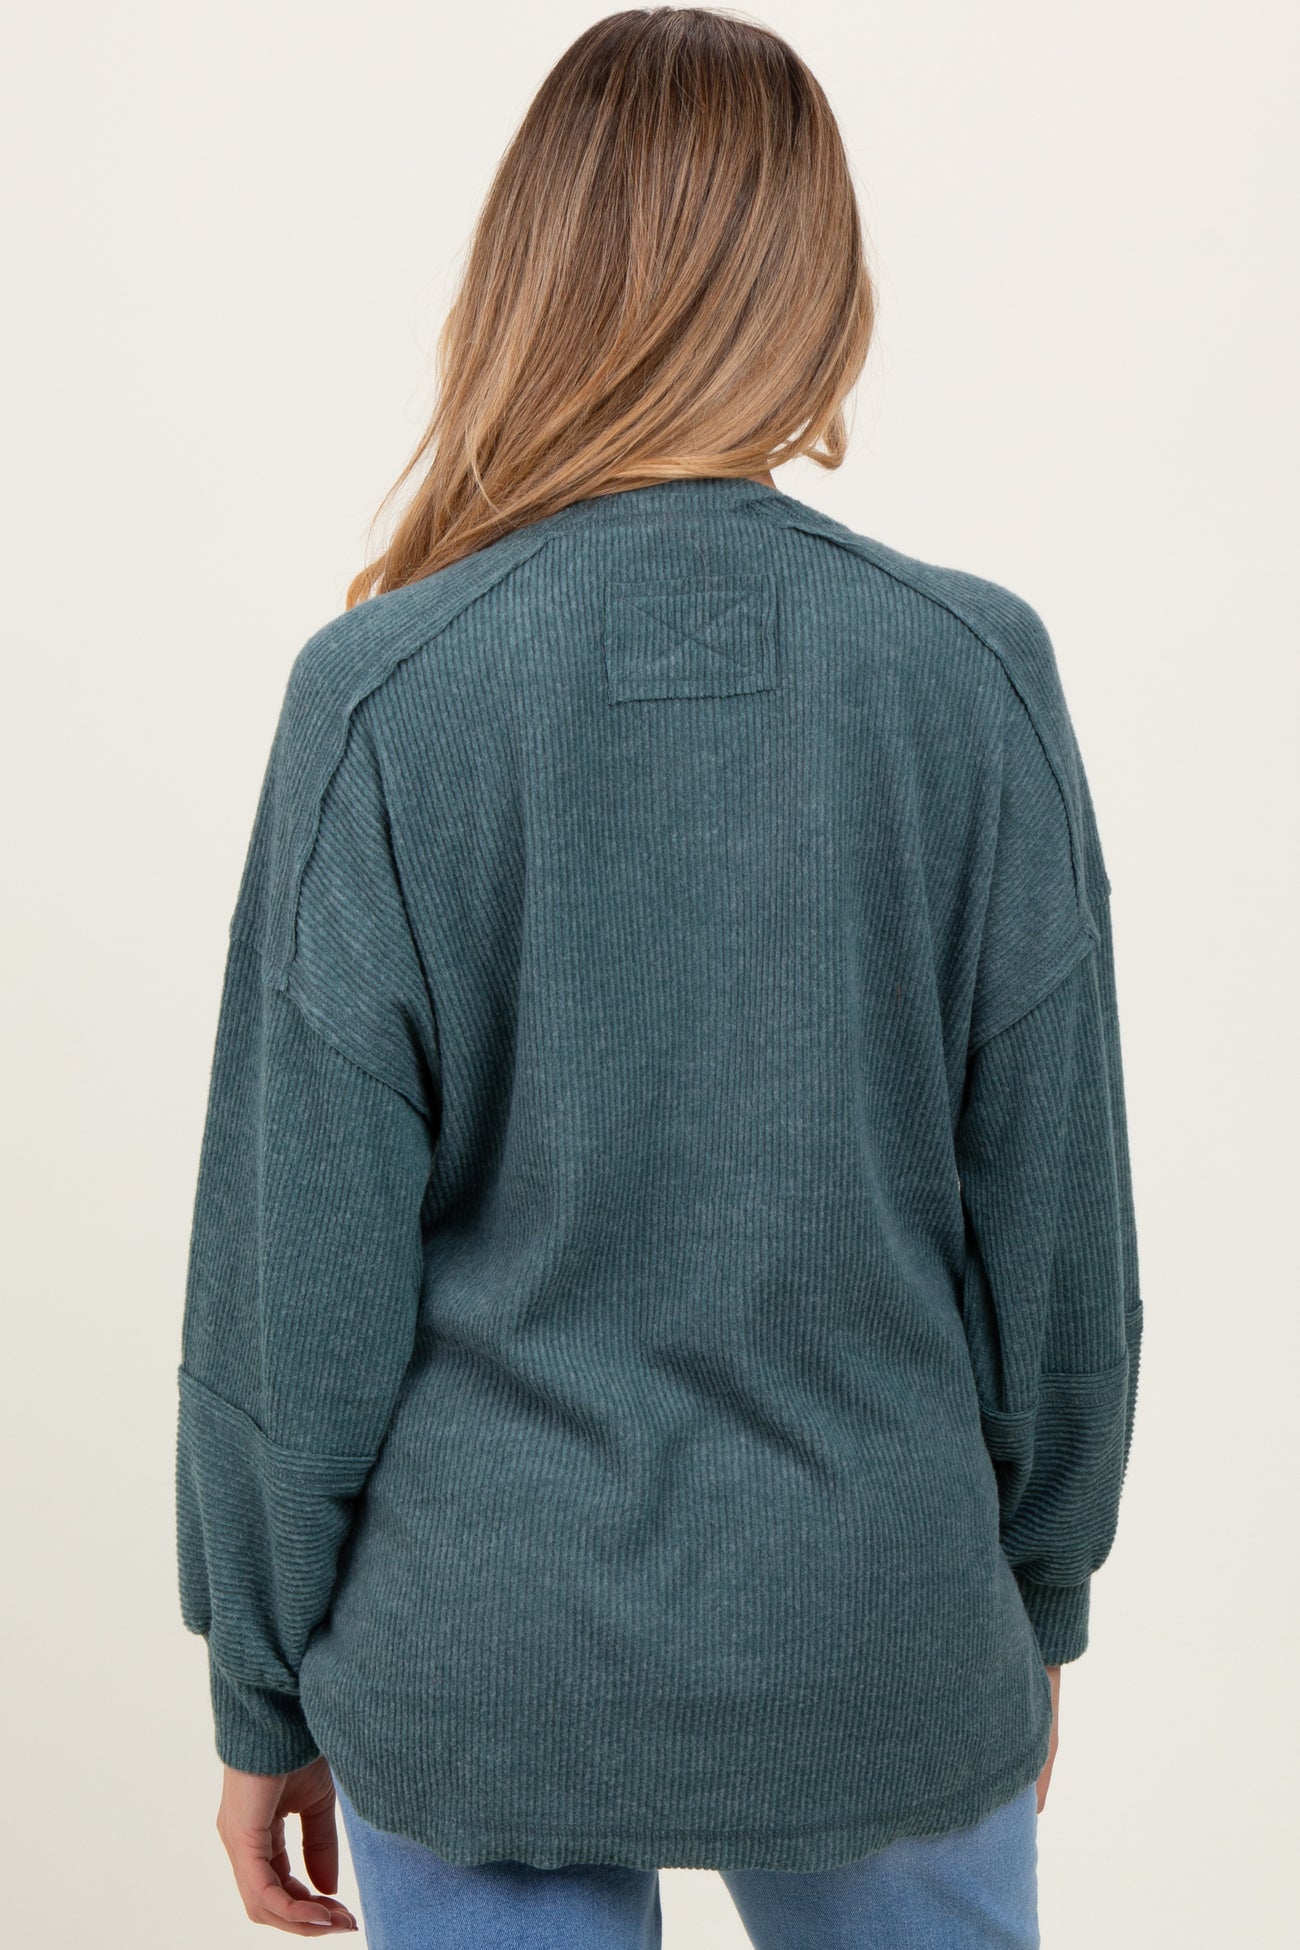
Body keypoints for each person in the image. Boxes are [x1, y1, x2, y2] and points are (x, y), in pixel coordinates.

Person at [173, 9, 1143, 1945]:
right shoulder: (969, 676)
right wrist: (1033, 1593)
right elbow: (1056, 1230)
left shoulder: (382, 693)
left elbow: (292, 1287)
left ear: (525, 278)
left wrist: (263, 1681)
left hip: (479, 1655)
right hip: (878, 1624)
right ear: (820, 285)